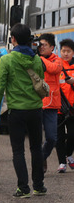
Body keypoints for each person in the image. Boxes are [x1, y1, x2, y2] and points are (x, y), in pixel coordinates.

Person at [0, 24, 46, 198]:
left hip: (16, 111)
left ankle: (23, 188)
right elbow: (40, 82)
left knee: (18, 150)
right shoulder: (36, 59)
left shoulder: (7, 59)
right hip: (36, 109)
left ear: (13, 39)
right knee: (36, 148)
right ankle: (39, 185)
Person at [37, 33, 62, 173]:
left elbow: (54, 69)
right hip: (36, 103)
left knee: (52, 138)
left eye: (44, 45)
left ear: (52, 47)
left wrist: (39, 58)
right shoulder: (34, 59)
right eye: (39, 45)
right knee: (37, 138)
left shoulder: (57, 60)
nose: (41, 48)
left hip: (51, 105)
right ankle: (40, 163)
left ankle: (41, 158)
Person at [56, 38, 74, 173]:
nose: (66, 53)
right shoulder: (56, 66)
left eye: (68, 51)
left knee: (72, 135)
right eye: (63, 51)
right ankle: (62, 162)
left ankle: (69, 155)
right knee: (59, 137)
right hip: (58, 108)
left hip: (72, 109)